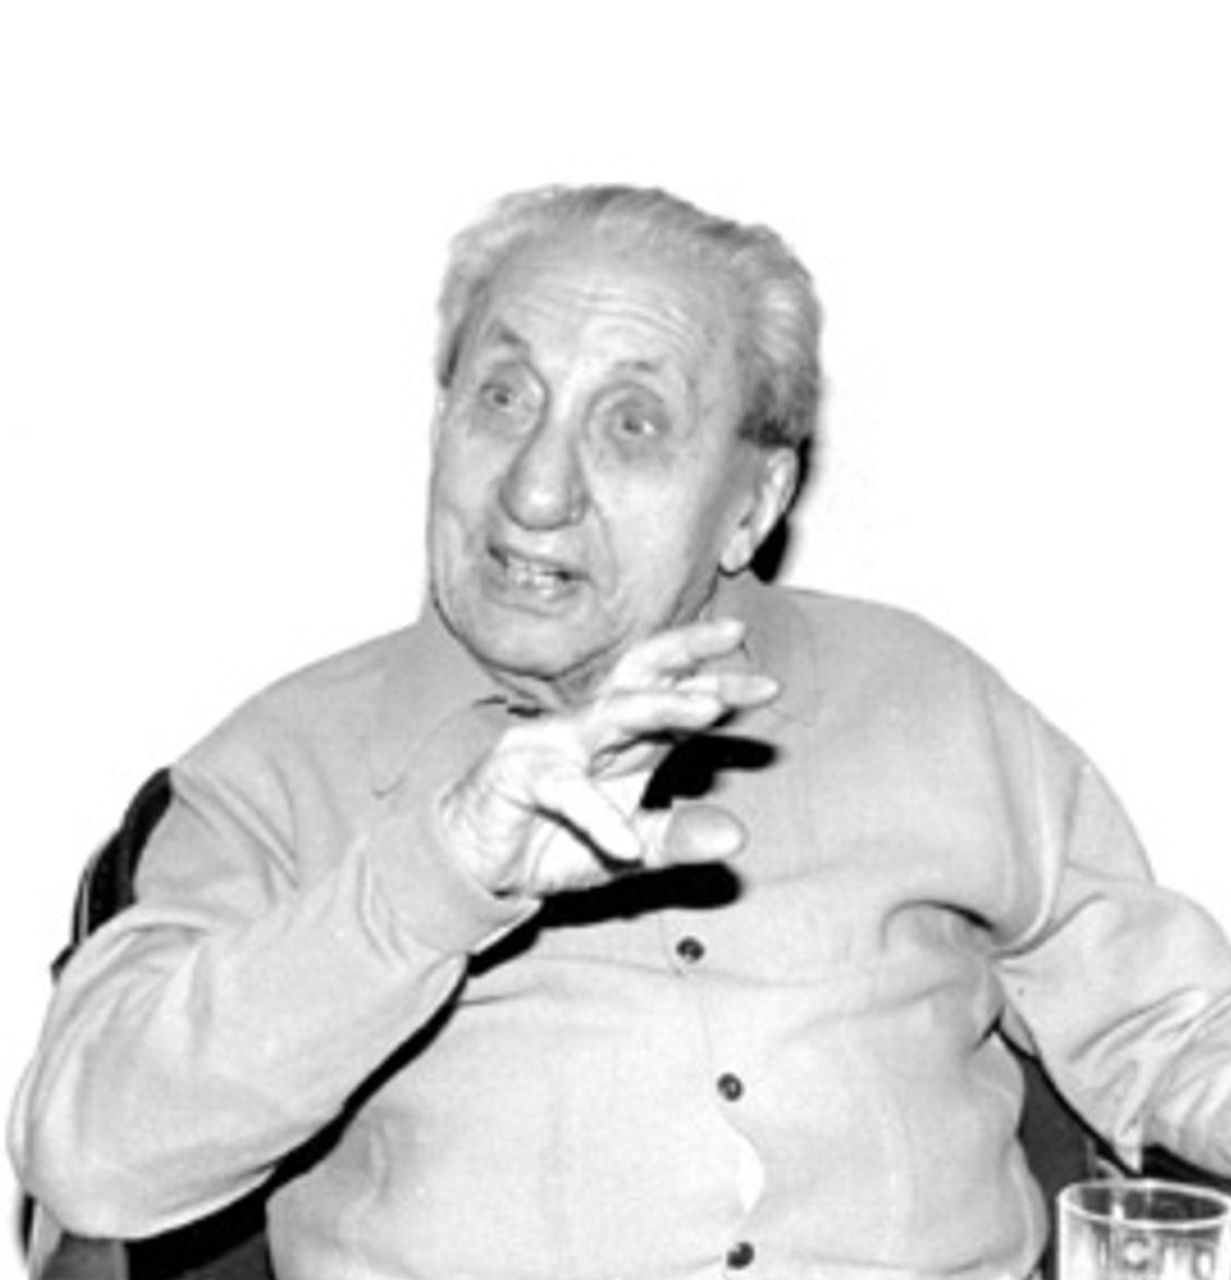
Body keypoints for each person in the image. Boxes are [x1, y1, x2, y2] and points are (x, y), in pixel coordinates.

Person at [10, 184, 1231, 1280]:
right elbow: (90, 1156)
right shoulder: (279, 766)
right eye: (502, 399)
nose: (535, 489)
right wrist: (430, 884)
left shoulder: (928, 698)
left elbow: (1166, 1025)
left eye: (631, 422)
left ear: (751, 503)